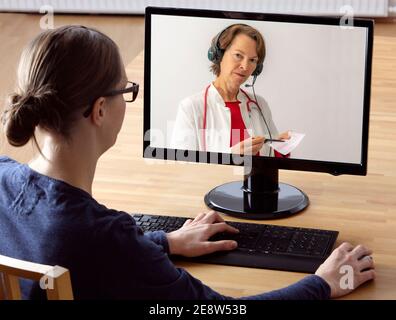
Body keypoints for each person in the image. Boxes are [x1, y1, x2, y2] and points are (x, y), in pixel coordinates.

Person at [0, 25, 375, 300]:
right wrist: (322, 283)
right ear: (100, 109)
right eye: (127, 91)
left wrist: (163, 242)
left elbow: (96, 254)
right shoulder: (108, 239)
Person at [171, 24, 291, 157]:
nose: (245, 66)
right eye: (238, 55)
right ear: (219, 55)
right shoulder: (191, 107)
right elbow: (181, 164)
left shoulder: (259, 105)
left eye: (252, 60)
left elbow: (270, 158)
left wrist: (281, 148)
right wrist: (231, 155)